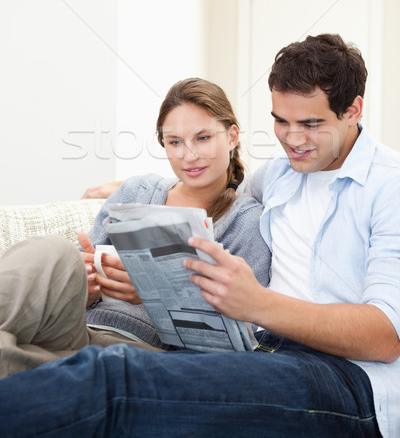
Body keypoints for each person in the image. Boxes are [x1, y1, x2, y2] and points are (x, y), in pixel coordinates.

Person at [1, 33, 400, 438]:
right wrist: (136, 187)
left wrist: (257, 303)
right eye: (281, 121)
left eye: (311, 124)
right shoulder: (279, 176)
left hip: (342, 372)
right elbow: (217, 187)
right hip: (260, 354)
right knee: (53, 264)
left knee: (115, 375)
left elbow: (386, 337)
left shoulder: (390, 186)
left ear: (353, 111)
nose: (292, 139)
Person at [0, 78, 270, 375]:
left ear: (232, 137)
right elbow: (75, 283)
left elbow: (244, 336)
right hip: (78, 329)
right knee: (53, 249)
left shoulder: (246, 222)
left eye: (203, 138)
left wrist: (156, 294)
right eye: (175, 142)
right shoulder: (136, 192)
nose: (188, 155)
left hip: (149, 356)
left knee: (52, 364)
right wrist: (85, 284)